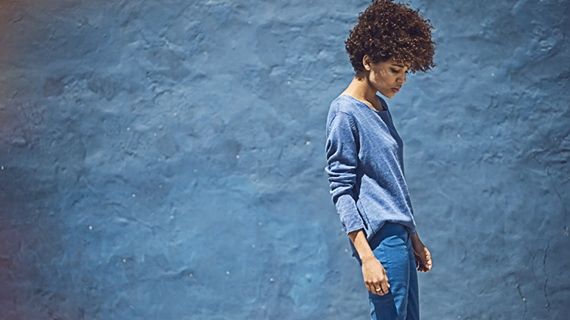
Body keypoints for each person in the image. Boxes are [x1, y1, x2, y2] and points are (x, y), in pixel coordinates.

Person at [325, 1, 435, 319]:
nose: (402, 80)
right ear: (368, 61)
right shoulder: (345, 112)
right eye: (395, 70)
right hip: (380, 241)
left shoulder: (378, 106)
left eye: (406, 71)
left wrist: (413, 236)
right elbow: (341, 190)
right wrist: (367, 257)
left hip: (398, 237)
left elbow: (390, 182)